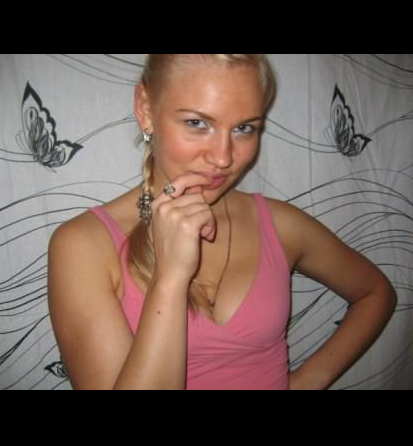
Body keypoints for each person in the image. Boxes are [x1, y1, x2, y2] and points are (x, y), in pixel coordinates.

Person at [47, 54, 397, 390]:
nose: (224, 158)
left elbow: (375, 292)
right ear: (145, 109)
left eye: (244, 128)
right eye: (197, 123)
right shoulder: (83, 246)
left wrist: (307, 381)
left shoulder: (280, 224)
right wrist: (170, 278)